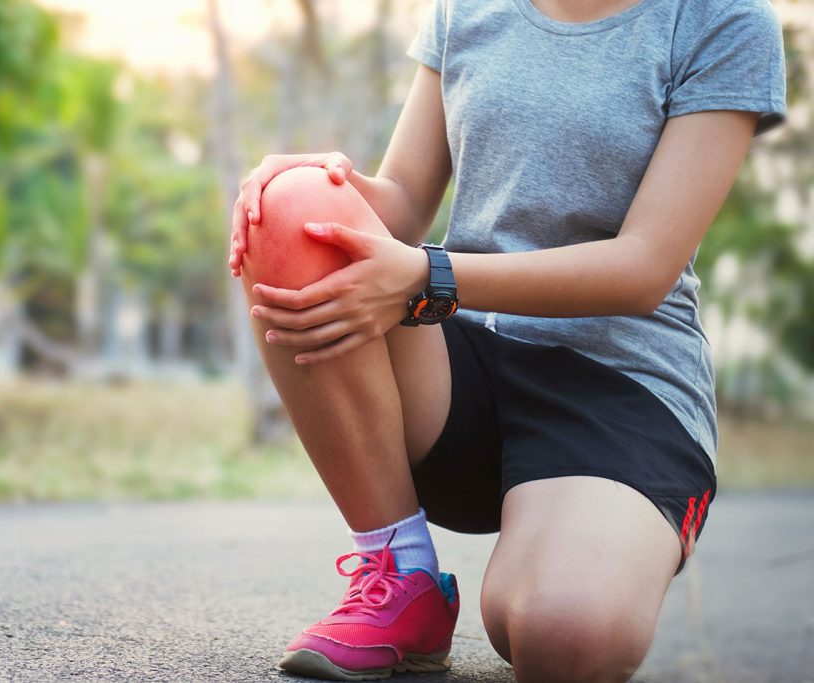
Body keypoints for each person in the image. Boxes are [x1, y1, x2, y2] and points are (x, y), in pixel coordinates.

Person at [227, 0, 787, 680]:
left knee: (561, 632)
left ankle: (590, 540)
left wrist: (429, 274)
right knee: (292, 206)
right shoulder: (466, 8)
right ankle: (401, 573)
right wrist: (321, 186)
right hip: (460, 363)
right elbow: (402, 198)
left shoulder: (721, 21)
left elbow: (643, 267)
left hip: (621, 386)